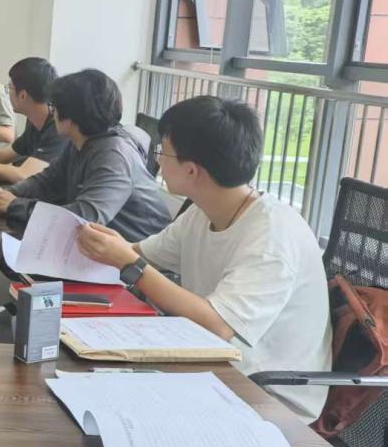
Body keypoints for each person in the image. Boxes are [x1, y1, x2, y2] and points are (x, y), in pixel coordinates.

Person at [76, 95, 332, 419]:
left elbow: (219, 326)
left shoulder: (273, 236)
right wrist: (112, 247)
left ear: (192, 170)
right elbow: (141, 253)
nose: (158, 159)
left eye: (163, 151)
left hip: (267, 397)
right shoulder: (203, 211)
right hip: (213, 365)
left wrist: (129, 262)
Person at [0, 69, 171, 242]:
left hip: (142, 256)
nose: (52, 113)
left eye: (54, 107)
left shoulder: (113, 155)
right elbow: (48, 180)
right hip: (104, 247)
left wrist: (16, 205)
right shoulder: (80, 142)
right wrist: (11, 193)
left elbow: (85, 217)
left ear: (71, 117)